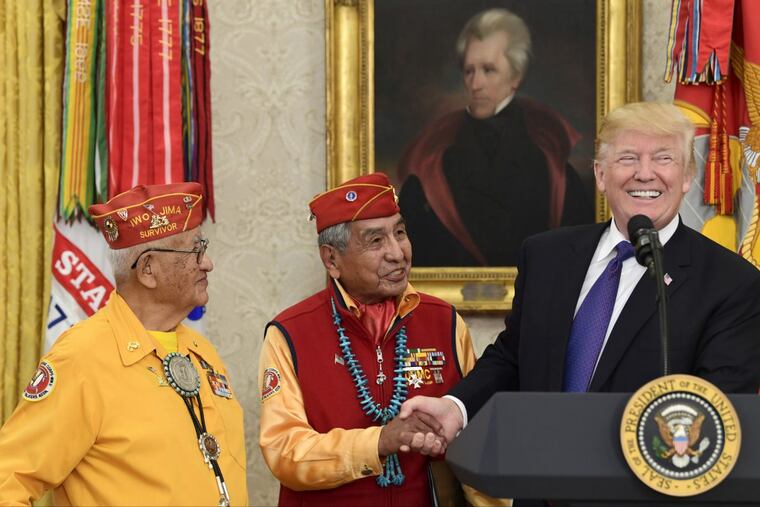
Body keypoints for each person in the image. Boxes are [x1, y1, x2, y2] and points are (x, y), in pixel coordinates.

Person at [400, 102, 760, 502]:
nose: (645, 173)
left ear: (688, 176)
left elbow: (716, 415)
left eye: (664, 158)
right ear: (600, 174)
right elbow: (513, 358)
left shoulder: (731, 283)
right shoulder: (546, 256)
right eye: (628, 158)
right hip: (539, 492)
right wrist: (456, 407)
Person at [258, 173, 508, 506]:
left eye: (400, 233)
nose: (397, 253)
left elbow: (478, 436)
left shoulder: (443, 321)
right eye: (376, 241)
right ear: (331, 260)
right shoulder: (291, 332)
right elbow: (283, 451)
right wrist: (378, 443)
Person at [0, 183, 247, 505]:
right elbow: (9, 479)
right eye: (195, 251)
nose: (207, 263)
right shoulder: (82, 357)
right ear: (148, 269)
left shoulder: (202, 351)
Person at [398, 7, 592, 267]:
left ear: (516, 77)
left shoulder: (551, 167)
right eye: (469, 71)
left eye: (488, 70)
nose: (475, 84)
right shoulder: (432, 163)